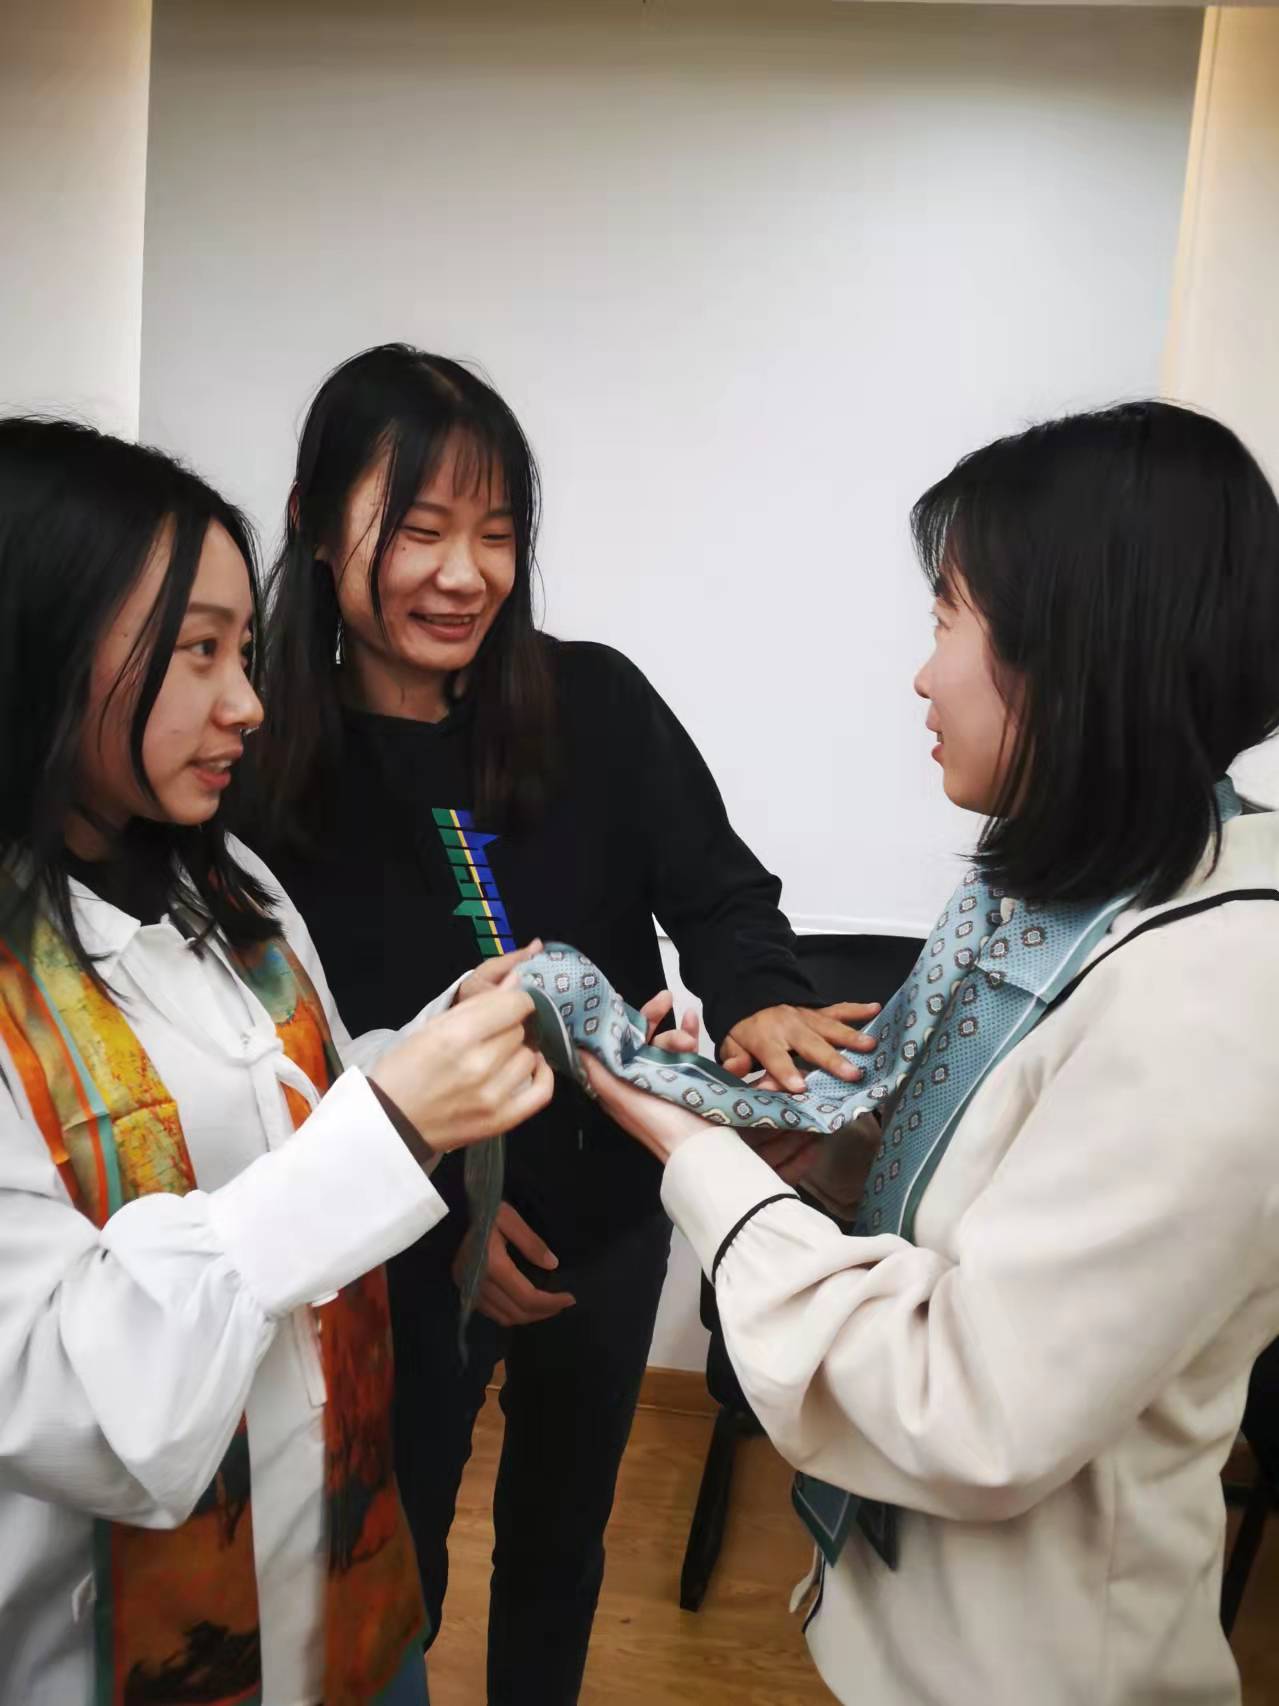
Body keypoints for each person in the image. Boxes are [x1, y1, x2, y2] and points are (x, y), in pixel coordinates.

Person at [584, 401, 1279, 1706]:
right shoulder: (1056, 888)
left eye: (949, 617)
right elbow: (997, 1174)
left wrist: (690, 1151)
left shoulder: (1217, 995)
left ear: (1076, 648)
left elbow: (969, 1405)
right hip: (901, 1634)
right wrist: (813, 1154)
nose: (922, 674)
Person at [245, 343, 876, 1704]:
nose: (464, 573)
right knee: (395, 1546)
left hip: (604, 1219)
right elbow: (278, 1053)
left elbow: (722, 894)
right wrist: (445, 1222)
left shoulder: (594, 701)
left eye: (496, 532)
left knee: (561, 1539)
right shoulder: (254, 760)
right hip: (394, 1244)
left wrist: (761, 994)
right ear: (314, 522)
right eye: (419, 529)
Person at [0, 417, 554, 1706]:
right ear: (39, 645)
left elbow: (298, 1104)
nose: (246, 701)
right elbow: (64, 1392)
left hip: (352, 1592)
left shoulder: (226, 881)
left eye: (241, 651)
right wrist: (394, 1125)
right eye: (197, 651)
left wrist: (442, 1038)